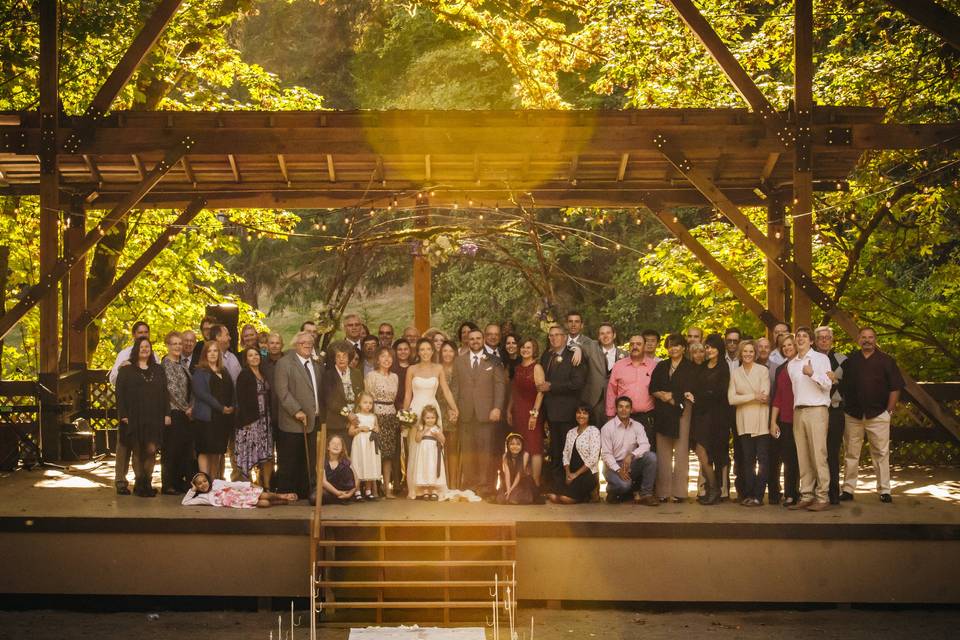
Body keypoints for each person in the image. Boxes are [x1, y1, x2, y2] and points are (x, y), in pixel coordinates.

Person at [839, 327, 904, 503]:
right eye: (864, 337)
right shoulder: (850, 361)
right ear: (858, 339)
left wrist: (889, 410)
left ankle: (884, 489)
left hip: (878, 414)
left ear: (875, 340)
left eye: (871, 337)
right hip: (853, 415)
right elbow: (839, 385)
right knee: (851, 453)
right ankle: (848, 489)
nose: (867, 340)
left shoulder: (886, 361)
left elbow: (896, 387)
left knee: (881, 453)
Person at [115, 337, 170, 497]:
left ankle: (147, 481)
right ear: (136, 350)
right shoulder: (126, 370)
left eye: (148, 347)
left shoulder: (158, 369)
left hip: (154, 416)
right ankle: (140, 483)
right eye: (142, 347)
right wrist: (123, 414)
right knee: (138, 450)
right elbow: (120, 394)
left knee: (151, 450)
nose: (145, 349)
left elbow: (164, 393)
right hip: (134, 416)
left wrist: (167, 413)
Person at [787, 326, 834, 511]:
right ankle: (807, 495)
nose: (800, 339)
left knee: (818, 455)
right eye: (797, 336)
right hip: (799, 411)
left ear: (811, 341)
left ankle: (823, 497)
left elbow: (828, 385)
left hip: (817, 410)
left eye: (804, 336)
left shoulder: (821, 359)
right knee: (803, 456)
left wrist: (812, 373)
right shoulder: (792, 364)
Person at [454, 329, 505, 496]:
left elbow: (500, 386)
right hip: (466, 413)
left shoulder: (494, 361)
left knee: (485, 451)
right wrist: (454, 409)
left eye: (478, 338)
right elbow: (455, 387)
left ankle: (484, 485)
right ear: (467, 341)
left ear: (483, 339)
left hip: (486, 413)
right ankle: (469, 484)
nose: (475, 341)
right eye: (471, 339)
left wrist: (497, 407)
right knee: (468, 451)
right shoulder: (459, 361)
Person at [274, 331, 325, 499]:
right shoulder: (285, 363)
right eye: (304, 342)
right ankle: (285, 493)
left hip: (314, 420)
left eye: (310, 342)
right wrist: (297, 410)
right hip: (292, 421)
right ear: (296, 345)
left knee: (309, 460)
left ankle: (305, 492)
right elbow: (283, 392)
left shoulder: (316, 364)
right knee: (290, 460)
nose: (308, 345)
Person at [405, 338, 459, 498]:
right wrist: (404, 415)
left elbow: (446, 391)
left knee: (433, 447)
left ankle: (433, 486)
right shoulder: (412, 369)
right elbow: (408, 394)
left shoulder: (438, 368)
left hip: (433, 410)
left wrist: (454, 408)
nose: (425, 352)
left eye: (428, 349)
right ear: (418, 352)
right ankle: (416, 488)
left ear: (432, 351)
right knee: (416, 447)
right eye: (422, 349)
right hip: (416, 409)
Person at [539, 324, 587, 489]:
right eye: (551, 335)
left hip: (568, 412)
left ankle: (571, 487)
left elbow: (577, 383)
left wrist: (552, 386)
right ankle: (556, 486)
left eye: (558, 335)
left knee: (570, 452)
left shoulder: (574, 355)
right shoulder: (547, 356)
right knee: (555, 451)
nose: (554, 338)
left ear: (565, 337)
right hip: (551, 413)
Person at [649, 333, 696, 503]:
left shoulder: (691, 367)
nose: (673, 348)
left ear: (683, 348)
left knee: (682, 452)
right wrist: (662, 396)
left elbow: (692, 387)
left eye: (676, 345)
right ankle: (663, 492)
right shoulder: (661, 366)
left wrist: (673, 396)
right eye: (670, 346)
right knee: (663, 453)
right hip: (662, 412)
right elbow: (653, 386)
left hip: (682, 411)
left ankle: (680, 492)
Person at [686, 333, 730, 506]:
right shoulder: (703, 366)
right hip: (700, 415)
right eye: (707, 347)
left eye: (712, 347)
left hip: (716, 417)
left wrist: (699, 397)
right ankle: (713, 488)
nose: (709, 350)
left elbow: (720, 393)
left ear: (719, 348)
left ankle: (715, 488)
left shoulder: (723, 367)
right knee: (700, 451)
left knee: (712, 454)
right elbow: (696, 387)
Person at [728, 340, 771, 507]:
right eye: (745, 351)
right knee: (747, 460)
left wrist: (743, 396)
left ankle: (758, 495)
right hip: (744, 421)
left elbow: (765, 395)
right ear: (741, 353)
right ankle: (748, 494)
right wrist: (753, 396)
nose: (747, 354)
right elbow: (731, 399)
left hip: (761, 421)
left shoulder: (763, 371)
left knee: (763, 460)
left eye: (751, 351)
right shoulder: (736, 373)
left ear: (755, 353)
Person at [600, 396, 658, 505]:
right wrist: (618, 470)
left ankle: (646, 494)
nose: (624, 410)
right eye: (620, 407)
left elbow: (646, 445)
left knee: (651, 457)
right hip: (612, 466)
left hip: (630, 463)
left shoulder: (637, 426)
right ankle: (611, 491)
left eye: (627, 407)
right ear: (616, 409)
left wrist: (631, 455)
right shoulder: (607, 428)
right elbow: (606, 455)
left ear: (631, 410)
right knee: (624, 485)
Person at [191, 341, 235, 480]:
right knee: (205, 450)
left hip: (223, 419)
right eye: (209, 351)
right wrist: (220, 407)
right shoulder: (200, 372)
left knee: (217, 451)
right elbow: (202, 394)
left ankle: (214, 480)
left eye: (215, 351)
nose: (212, 354)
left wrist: (232, 406)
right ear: (205, 354)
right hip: (206, 418)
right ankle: (205, 481)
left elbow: (231, 390)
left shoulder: (224, 371)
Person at [507, 338, 546, 486]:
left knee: (534, 447)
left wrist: (534, 414)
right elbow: (514, 391)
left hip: (532, 412)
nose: (525, 350)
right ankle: (521, 483)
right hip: (518, 412)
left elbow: (540, 393)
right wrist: (509, 410)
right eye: (523, 347)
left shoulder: (537, 367)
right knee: (522, 446)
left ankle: (536, 483)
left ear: (534, 350)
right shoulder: (517, 368)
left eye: (528, 347)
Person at [815, 325, 847, 504]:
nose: (824, 340)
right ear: (816, 340)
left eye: (827, 337)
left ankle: (833, 493)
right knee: (816, 453)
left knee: (832, 453)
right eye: (821, 338)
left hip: (835, 410)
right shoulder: (810, 359)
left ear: (832, 339)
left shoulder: (842, 359)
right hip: (816, 410)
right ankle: (816, 492)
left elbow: (849, 385)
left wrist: (836, 382)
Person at [235, 347, 274, 486]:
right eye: (250, 355)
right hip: (251, 421)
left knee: (267, 455)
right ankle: (250, 485)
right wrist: (246, 421)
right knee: (251, 454)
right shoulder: (244, 375)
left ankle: (267, 486)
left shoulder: (264, 373)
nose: (254, 357)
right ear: (246, 359)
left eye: (256, 354)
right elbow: (241, 399)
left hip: (266, 421)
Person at [160, 331, 194, 495]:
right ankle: (168, 484)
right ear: (167, 345)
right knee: (171, 449)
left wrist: (191, 406)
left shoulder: (182, 365)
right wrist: (186, 407)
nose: (178, 346)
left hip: (186, 413)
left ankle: (180, 482)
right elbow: (171, 389)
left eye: (180, 344)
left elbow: (190, 387)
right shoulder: (166, 364)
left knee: (183, 449)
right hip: (174, 412)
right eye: (174, 344)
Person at [606, 334, 656, 442]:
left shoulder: (653, 366)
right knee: (624, 453)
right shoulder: (619, 365)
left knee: (648, 455)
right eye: (632, 344)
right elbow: (611, 391)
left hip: (647, 418)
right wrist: (610, 416)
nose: (635, 346)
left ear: (644, 346)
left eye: (638, 344)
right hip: (624, 417)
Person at [546, 404, 601, 504]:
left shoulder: (593, 431)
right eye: (579, 412)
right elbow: (565, 454)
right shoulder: (571, 432)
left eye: (585, 413)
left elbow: (593, 458)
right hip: (570, 471)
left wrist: (575, 475)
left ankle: (584, 497)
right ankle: (572, 493)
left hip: (587, 473)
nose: (581, 415)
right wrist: (568, 473)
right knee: (553, 496)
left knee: (564, 499)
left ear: (589, 416)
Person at [769, 333, 800, 507]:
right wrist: (773, 421)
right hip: (785, 419)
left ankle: (805, 492)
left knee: (802, 458)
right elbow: (778, 398)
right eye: (784, 346)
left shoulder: (804, 364)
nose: (787, 348)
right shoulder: (781, 369)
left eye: (790, 345)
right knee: (788, 458)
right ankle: (790, 494)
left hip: (802, 418)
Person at [366, 346, 400, 497]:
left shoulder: (395, 377)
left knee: (389, 455)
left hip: (391, 416)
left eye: (389, 356)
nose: (387, 359)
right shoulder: (371, 375)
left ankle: (387, 488)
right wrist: (373, 420)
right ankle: (374, 488)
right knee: (376, 453)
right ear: (377, 359)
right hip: (376, 416)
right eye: (383, 356)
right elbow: (368, 398)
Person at [566, 312, 605, 430]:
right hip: (564, 395)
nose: (573, 324)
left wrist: (578, 347)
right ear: (566, 324)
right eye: (570, 321)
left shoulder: (590, 343)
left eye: (577, 321)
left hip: (584, 395)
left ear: (582, 325)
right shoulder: (560, 340)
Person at [182, 472, 297, 508]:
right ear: (196, 486)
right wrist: (192, 490)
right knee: (265, 503)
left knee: (264, 495)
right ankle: (279, 502)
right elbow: (185, 502)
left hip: (241, 493)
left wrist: (250, 484)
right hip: (239, 502)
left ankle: (282, 496)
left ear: (208, 479)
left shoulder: (216, 483)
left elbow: (234, 484)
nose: (203, 484)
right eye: (199, 484)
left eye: (204, 481)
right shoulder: (202, 498)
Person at [323, 345, 364, 445]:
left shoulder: (357, 373)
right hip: (336, 424)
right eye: (338, 356)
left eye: (344, 356)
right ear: (334, 358)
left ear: (349, 358)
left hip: (355, 422)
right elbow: (330, 400)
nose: (341, 359)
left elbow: (360, 396)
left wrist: (355, 416)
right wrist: (348, 414)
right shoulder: (328, 375)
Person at [349, 391, 382, 500]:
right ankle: (357, 491)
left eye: (370, 403)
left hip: (370, 444)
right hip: (360, 443)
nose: (368, 405)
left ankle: (368, 491)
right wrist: (360, 428)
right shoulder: (356, 417)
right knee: (359, 464)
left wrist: (377, 429)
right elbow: (350, 432)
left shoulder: (373, 416)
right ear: (359, 403)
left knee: (369, 464)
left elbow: (377, 428)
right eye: (365, 402)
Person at [437, 340, 461, 488]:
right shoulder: (436, 369)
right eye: (444, 351)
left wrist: (455, 410)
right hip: (438, 411)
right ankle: (440, 483)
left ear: (455, 353)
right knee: (438, 448)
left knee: (452, 449)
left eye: (450, 351)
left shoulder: (460, 369)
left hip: (455, 412)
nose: (447, 354)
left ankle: (453, 484)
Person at [412, 405, 447, 500]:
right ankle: (426, 490)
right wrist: (423, 431)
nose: (430, 420)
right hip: (424, 453)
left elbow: (443, 440)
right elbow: (417, 439)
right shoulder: (421, 427)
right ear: (423, 418)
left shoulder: (437, 428)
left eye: (432, 418)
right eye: (428, 418)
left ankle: (434, 490)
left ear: (436, 418)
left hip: (434, 452)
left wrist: (437, 435)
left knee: (433, 468)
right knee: (425, 468)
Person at [108, 321, 156, 385]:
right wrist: (120, 370)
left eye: (146, 332)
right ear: (133, 335)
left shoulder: (155, 355)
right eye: (140, 332)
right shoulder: (124, 354)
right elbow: (113, 380)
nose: (144, 335)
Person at [316, 435, 358, 505]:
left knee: (346, 468)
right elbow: (323, 482)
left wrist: (350, 494)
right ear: (328, 447)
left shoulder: (347, 461)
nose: (336, 446)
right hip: (328, 490)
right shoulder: (322, 461)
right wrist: (337, 493)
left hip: (344, 490)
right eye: (333, 443)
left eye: (339, 444)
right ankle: (337, 498)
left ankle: (343, 498)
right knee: (314, 498)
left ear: (342, 448)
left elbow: (357, 479)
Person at [497, 433, 537, 505]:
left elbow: (519, 473)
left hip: (522, 481)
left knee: (514, 498)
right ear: (508, 446)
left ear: (522, 446)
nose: (515, 446)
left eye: (518, 444)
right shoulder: (505, 456)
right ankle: (510, 493)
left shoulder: (525, 455)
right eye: (512, 444)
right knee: (501, 498)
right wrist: (508, 489)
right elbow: (507, 475)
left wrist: (511, 490)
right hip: (511, 480)